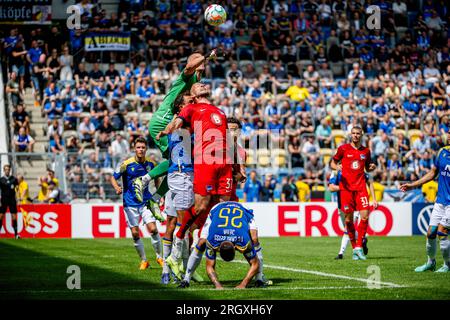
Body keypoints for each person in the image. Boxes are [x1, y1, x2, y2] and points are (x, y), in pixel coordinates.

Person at [133, 50, 217, 217]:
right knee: (175, 159)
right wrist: (206, 56)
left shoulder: (196, 83)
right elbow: (190, 66)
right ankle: (143, 181)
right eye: (197, 58)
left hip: (172, 123)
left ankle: (155, 197)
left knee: (177, 162)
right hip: (163, 121)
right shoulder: (186, 77)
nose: (200, 62)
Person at [156, 82, 233, 249]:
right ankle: (181, 234)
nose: (203, 84)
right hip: (205, 161)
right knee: (200, 207)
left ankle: (205, 235)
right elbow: (176, 123)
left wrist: (236, 164)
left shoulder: (220, 111)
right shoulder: (191, 109)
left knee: (222, 206)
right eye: (198, 85)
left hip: (224, 162)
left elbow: (228, 137)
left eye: (204, 83)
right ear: (193, 95)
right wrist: (167, 130)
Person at [178, 201, 260, 289]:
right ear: (235, 247)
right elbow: (209, 266)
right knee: (201, 242)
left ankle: (260, 278)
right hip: (216, 209)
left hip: (243, 208)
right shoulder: (213, 240)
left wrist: (243, 284)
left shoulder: (241, 240)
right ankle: (186, 279)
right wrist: (218, 285)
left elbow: (256, 264)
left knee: (254, 239)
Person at [110, 137, 164, 270]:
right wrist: (117, 187)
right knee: (135, 233)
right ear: (134, 149)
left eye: (143, 147)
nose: (140, 150)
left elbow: (157, 177)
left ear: (146, 149)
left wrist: (158, 194)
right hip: (130, 203)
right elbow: (113, 177)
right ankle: (144, 260)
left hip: (146, 202)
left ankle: (159, 257)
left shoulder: (151, 163)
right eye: (138, 147)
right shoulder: (126, 164)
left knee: (153, 229)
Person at [400, 140, 450, 272]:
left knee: (442, 232)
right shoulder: (442, 152)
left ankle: (447, 265)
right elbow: (433, 173)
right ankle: (431, 262)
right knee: (430, 233)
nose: (449, 135)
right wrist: (413, 185)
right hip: (440, 202)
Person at [330, 126, 377, 260]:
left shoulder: (366, 151)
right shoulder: (343, 149)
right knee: (348, 220)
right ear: (350, 135)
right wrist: (337, 167)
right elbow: (333, 163)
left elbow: (367, 167)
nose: (355, 135)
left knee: (365, 216)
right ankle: (355, 248)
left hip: (361, 188)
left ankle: (358, 247)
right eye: (353, 133)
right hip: (346, 189)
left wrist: (371, 167)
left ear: (361, 135)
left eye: (358, 134)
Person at [329, 170, 377, 259]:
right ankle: (362, 239)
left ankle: (341, 253)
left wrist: (374, 199)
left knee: (346, 229)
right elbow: (331, 188)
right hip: (341, 205)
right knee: (349, 229)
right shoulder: (336, 173)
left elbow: (369, 181)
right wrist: (346, 187)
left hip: (354, 205)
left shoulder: (355, 169)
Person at [0, 165, 19, 238]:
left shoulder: (14, 179)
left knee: (14, 216)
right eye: (6, 169)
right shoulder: (1, 179)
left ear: (10, 170)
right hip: (4, 199)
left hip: (12, 200)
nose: (7, 171)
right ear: (4, 170)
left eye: (8, 169)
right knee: (1, 216)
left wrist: (17, 195)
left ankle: (16, 234)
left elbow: (17, 188)